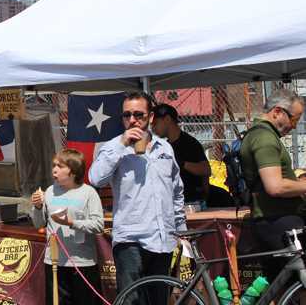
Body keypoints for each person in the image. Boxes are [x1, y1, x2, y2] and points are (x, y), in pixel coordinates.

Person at [89, 91, 186, 304]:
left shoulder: (165, 147)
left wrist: (180, 228)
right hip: (131, 239)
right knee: (131, 300)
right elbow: (95, 178)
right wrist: (122, 144)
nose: (132, 120)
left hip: (162, 238)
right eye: (127, 115)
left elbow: (176, 190)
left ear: (150, 117)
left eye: (139, 115)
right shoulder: (114, 146)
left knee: (158, 299)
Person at [241, 89, 305, 283]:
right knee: (298, 283)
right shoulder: (264, 138)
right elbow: (274, 186)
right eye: (294, 120)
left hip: (274, 219)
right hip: (278, 221)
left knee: (282, 285)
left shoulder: (263, 135)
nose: (293, 127)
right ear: (277, 112)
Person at [31, 149, 104, 305]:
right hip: (55, 262)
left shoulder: (89, 193)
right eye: (53, 165)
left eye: (60, 166)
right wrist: (37, 207)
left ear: (72, 171)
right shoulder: (50, 191)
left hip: (82, 263)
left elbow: (99, 225)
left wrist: (72, 222)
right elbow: (39, 224)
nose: (54, 170)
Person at [151, 103, 215, 205]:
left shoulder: (190, 143)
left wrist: (181, 164)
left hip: (192, 200)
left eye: (155, 123)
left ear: (167, 119)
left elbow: (206, 170)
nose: (153, 128)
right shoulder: (165, 146)